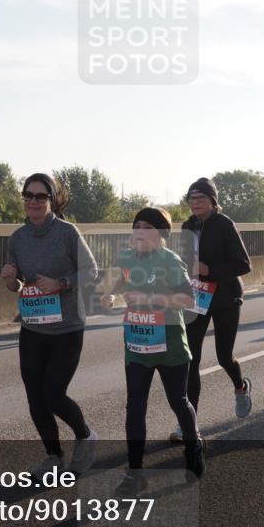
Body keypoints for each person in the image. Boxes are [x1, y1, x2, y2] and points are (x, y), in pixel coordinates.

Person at [102, 207, 205, 497]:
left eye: (146, 227)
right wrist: (112, 292)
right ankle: (135, 474)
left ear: (160, 234)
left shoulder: (170, 261)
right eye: (136, 226)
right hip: (136, 341)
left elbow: (187, 298)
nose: (139, 232)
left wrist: (152, 297)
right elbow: (122, 278)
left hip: (169, 339)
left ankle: (193, 444)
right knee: (135, 406)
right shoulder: (127, 258)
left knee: (178, 400)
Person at [2, 173, 100, 476]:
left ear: (52, 200)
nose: (33, 201)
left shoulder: (68, 233)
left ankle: (86, 435)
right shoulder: (17, 238)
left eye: (40, 196)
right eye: (28, 195)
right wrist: (11, 282)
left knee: (53, 394)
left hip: (67, 328)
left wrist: (61, 283)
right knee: (35, 397)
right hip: (32, 327)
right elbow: (17, 285)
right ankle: (53, 455)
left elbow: (92, 271)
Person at [175, 177, 253, 443]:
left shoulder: (224, 224)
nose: (196, 204)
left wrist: (211, 271)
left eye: (201, 199)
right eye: (192, 199)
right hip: (197, 297)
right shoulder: (187, 226)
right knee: (191, 359)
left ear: (212, 201)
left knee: (223, 356)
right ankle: (190, 422)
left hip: (225, 297)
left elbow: (243, 264)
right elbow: (184, 261)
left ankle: (240, 387)